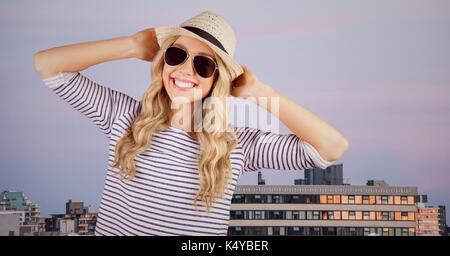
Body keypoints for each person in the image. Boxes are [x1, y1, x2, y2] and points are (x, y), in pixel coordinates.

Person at [33, 11, 349, 236]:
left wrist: (260, 91)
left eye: (203, 64)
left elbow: (332, 148)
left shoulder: (236, 145)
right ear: (162, 61)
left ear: (216, 80)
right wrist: (131, 45)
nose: (185, 70)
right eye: (177, 55)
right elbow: (47, 66)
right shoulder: (124, 117)